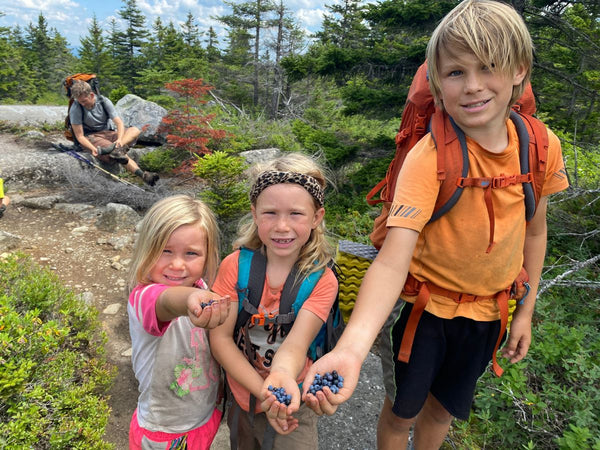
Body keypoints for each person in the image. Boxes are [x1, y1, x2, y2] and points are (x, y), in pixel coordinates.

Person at [302, 1, 570, 449]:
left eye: (488, 68)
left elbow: (535, 230)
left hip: (488, 316)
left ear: (518, 70)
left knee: (443, 409)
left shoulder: (540, 146)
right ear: (437, 84)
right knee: (400, 411)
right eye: (455, 73)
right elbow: (392, 260)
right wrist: (350, 348)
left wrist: (524, 311)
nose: (473, 86)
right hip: (423, 314)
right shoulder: (430, 159)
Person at [209, 152, 338, 449]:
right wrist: (265, 394)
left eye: (296, 214)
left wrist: (278, 381)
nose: (282, 226)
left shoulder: (321, 279)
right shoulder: (234, 266)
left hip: (294, 397)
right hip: (245, 395)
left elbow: (296, 345)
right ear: (254, 214)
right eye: (270, 213)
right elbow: (221, 341)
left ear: (316, 218)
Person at [127, 194, 231, 449]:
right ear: (146, 249)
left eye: (191, 253)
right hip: (164, 431)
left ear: (208, 256)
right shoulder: (143, 298)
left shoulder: (202, 286)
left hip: (204, 418)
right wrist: (192, 298)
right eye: (165, 251)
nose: (176, 264)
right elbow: (166, 301)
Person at [69, 79, 159, 186]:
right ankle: (142, 175)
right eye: (79, 101)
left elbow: (119, 123)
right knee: (115, 154)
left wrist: (120, 140)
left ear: (92, 95)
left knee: (134, 130)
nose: (82, 104)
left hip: (108, 132)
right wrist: (93, 149)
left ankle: (115, 150)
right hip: (91, 137)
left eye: (84, 101)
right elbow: (80, 136)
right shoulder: (76, 108)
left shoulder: (103, 101)